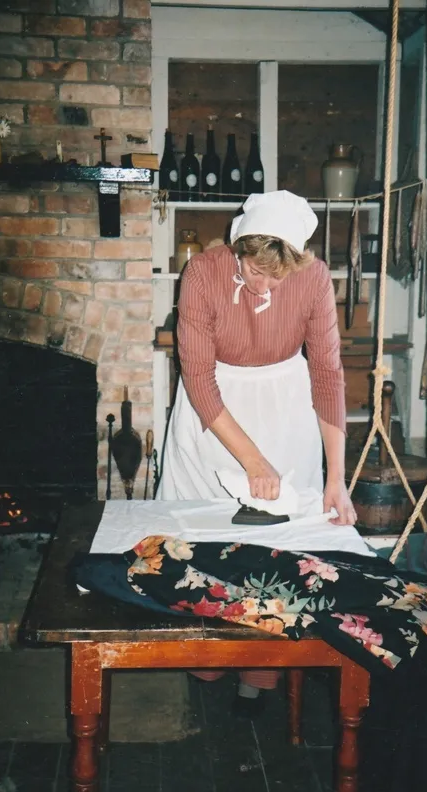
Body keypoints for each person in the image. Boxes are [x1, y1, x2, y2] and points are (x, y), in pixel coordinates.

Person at [158, 189, 356, 714]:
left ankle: (261, 669)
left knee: (278, 550)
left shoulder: (315, 278)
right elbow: (197, 377)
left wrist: (336, 479)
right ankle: (208, 657)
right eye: (254, 270)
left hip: (285, 407)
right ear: (238, 247)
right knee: (207, 544)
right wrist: (253, 461)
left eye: (277, 277)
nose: (263, 285)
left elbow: (327, 375)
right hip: (214, 414)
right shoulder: (202, 272)